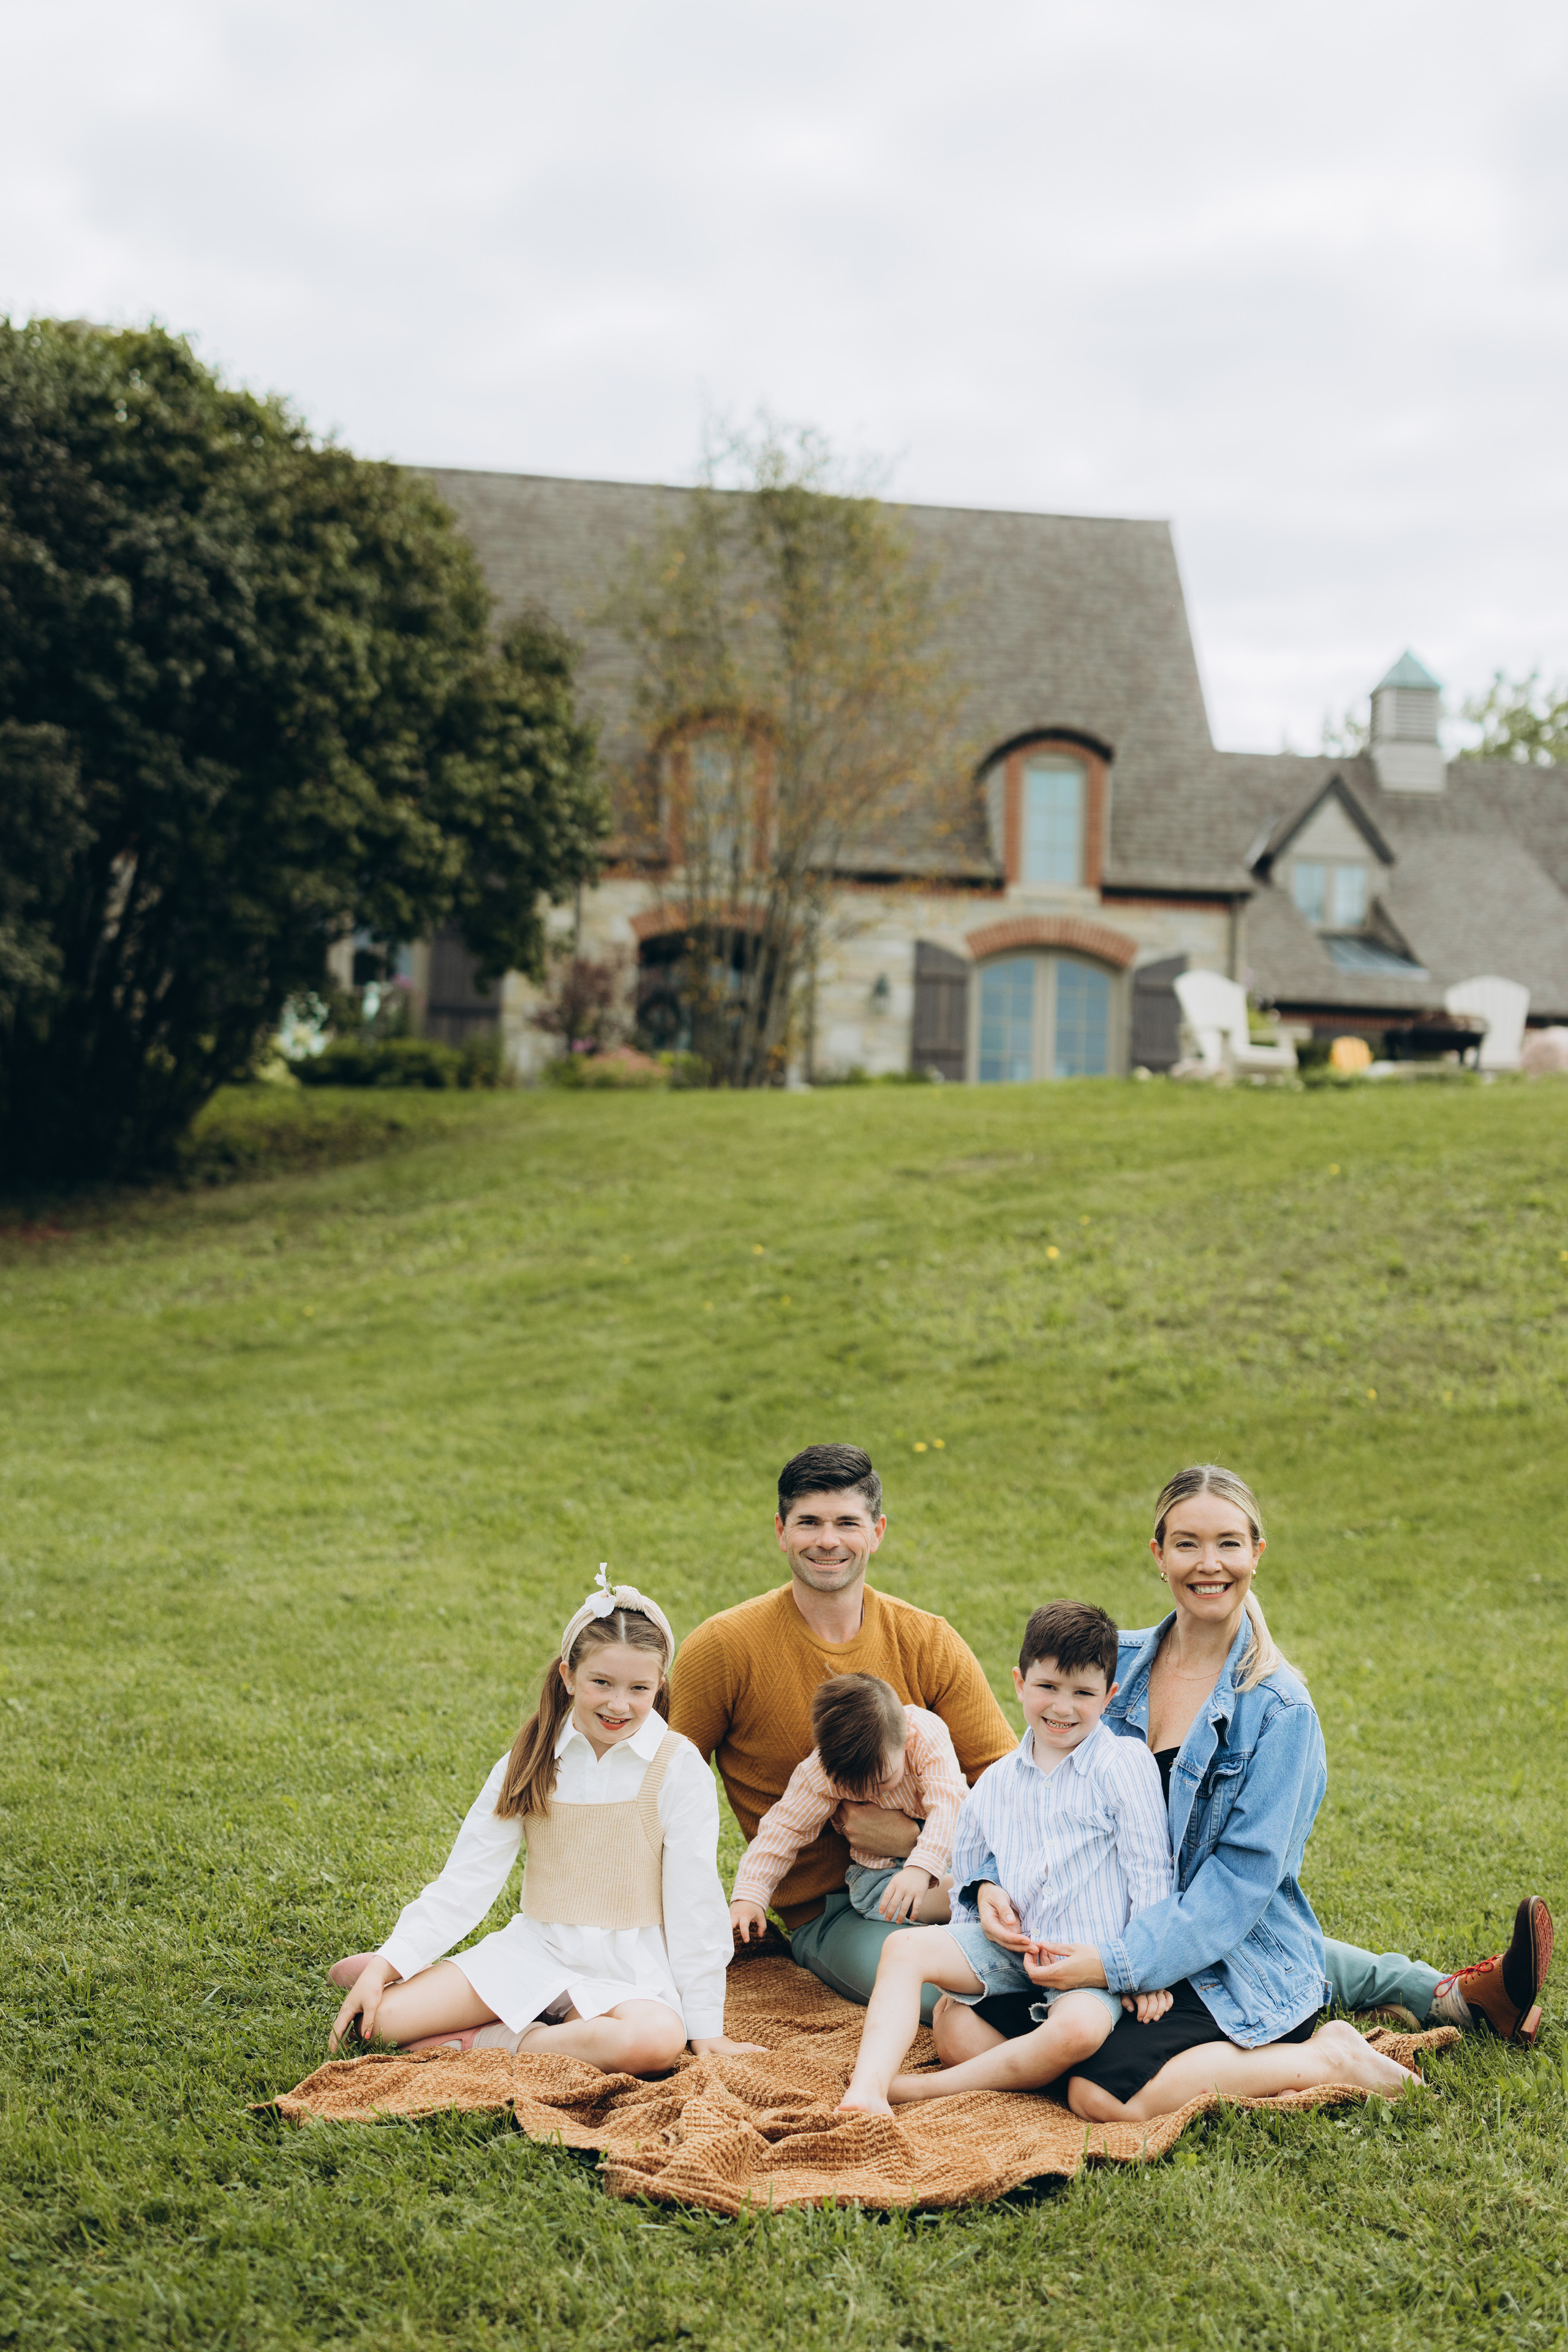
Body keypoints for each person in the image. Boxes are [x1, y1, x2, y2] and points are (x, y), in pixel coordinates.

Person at [932, 1466, 1553, 2122]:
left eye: (1228, 1543)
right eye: (1186, 1543)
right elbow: (1024, 1793)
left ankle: (1325, 2057)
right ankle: (1073, 2051)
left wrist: (1114, 1966)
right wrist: (989, 1884)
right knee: (955, 2027)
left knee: (1102, 2096)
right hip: (1089, 1926)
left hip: (1220, 1960)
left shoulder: (1280, 1711)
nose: (1209, 1564)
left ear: (1256, 1553)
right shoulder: (1109, 1665)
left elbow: (1236, 1890)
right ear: (1158, 1555)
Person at [327, 1572, 761, 2071]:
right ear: (568, 1677)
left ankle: (491, 2041)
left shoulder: (678, 1766)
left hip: (630, 1971)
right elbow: (469, 1878)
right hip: (534, 1952)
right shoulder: (532, 1756)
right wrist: (388, 1960)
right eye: (601, 1683)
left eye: (639, 1688)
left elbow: (694, 1902)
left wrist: (705, 2028)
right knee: (376, 2026)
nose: (619, 1705)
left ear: (659, 1685)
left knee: (657, 2042)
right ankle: (410, 1973)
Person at [670, 1444, 1016, 2014]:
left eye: (846, 1523)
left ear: (876, 1532)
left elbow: (1014, 1787)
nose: (827, 1540)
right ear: (781, 1531)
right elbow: (665, 1791)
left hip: (959, 1879)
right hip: (831, 1912)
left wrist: (910, 1840)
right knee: (953, 1998)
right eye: (809, 1522)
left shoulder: (928, 1640)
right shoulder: (724, 1647)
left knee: (1034, 1963)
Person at [838, 1601, 1174, 2116]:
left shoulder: (1121, 1764)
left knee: (1078, 2028)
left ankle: (923, 2090)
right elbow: (972, 1871)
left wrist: (1145, 1972)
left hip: (1092, 1961)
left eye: (1083, 1693)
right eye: (1047, 1688)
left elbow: (1151, 1872)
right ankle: (867, 2087)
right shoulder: (996, 1783)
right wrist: (983, 1901)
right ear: (1020, 1682)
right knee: (909, 1956)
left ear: (1109, 1697)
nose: (1062, 1708)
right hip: (1018, 1953)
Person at [729, 1673, 967, 1940]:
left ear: (907, 1742)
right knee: (871, 1895)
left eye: (883, 1781)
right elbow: (784, 1829)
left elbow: (949, 1805)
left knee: (974, 1853)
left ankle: (968, 1889)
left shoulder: (924, 1734)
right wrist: (750, 1893)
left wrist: (921, 1868)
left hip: (944, 1840)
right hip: (880, 1868)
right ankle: (959, 1899)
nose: (868, 1794)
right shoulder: (821, 1771)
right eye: (854, 1789)